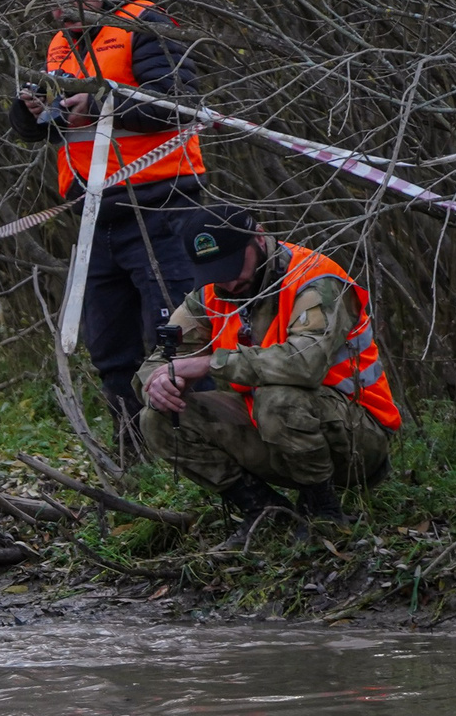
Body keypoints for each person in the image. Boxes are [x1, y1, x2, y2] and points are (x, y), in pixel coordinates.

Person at [9, 0, 205, 453]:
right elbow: (58, 129)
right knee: (109, 344)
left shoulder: (145, 23)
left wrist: (100, 104)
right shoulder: (59, 44)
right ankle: (133, 450)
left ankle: (199, 450)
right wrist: (32, 113)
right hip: (96, 214)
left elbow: (178, 102)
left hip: (162, 205)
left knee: (173, 335)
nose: (61, 4)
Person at [137, 205, 402, 523]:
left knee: (277, 398)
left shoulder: (317, 280)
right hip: (273, 429)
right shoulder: (212, 292)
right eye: (217, 272)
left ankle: (323, 511)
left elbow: (303, 364)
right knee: (158, 417)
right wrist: (160, 381)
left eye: (234, 265)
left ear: (259, 238)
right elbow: (159, 360)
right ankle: (264, 513)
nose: (230, 283)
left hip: (358, 437)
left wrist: (209, 364)